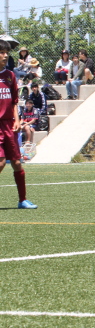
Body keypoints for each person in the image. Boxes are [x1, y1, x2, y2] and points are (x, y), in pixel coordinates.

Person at [0, 40, 37, 209]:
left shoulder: (10, 75)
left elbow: (14, 101)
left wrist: (16, 119)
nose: (5, 55)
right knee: (1, 162)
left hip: (10, 125)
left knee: (16, 162)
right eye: (2, 52)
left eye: (7, 52)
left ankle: (22, 200)